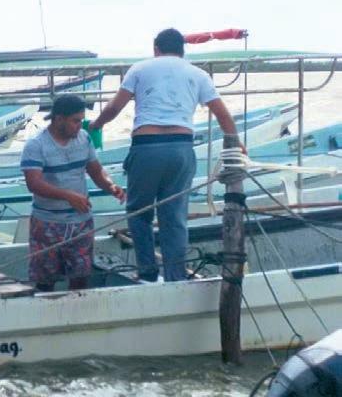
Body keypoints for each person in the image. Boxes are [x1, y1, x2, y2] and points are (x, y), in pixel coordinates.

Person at [89, 28, 243, 282]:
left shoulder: (140, 69)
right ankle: (175, 275)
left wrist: (96, 126)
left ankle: (148, 272)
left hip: (147, 147)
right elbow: (223, 115)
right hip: (181, 148)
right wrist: (236, 145)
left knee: (139, 213)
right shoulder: (198, 74)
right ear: (182, 50)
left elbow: (114, 107)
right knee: (174, 216)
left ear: (156, 49)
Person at [21, 94, 125, 292]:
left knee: (81, 277)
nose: (80, 125)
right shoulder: (36, 145)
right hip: (48, 222)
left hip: (81, 222)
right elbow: (33, 183)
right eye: (75, 121)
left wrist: (111, 186)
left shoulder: (84, 138)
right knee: (45, 281)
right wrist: (68, 195)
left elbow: (96, 170)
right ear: (59, 119)